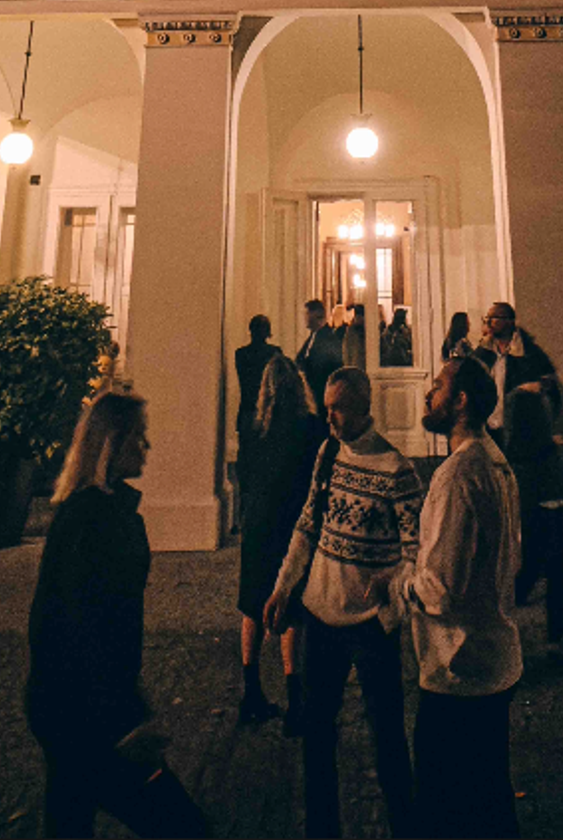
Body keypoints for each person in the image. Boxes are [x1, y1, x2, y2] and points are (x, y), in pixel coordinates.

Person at [25, 391, 206, 839]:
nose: (147, 446)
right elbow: (84, 627)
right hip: (89, 714)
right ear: (113, 444)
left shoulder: (87, 513)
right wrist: (123, 717)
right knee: (180, 825)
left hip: (65, 707)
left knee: (69, 821)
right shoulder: (96, 520)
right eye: (139, 437)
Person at [265, 367, 422, 839]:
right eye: (327, 406)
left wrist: (392, 593)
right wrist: (283, 586)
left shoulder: (396, 471)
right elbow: (307, 524)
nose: (329, 417)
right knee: (316, 732)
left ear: (363, 408)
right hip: (321, 613)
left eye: (339, 408)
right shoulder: (328, 454)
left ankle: (405, 826)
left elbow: (417, 554)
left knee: (387, 735)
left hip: (370, 624)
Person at [410, 355, 524, 838]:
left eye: (438, 386)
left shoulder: (458, 475)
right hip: (495, 657)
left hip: (459, 665)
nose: (428, 393)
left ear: (459, 401)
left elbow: (440, 590)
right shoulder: (496, 463)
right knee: (490, 800)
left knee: (447, 807)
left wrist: (399, 583)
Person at [235, 352, 321, 727]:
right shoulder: (310, 427)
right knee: (291, 607)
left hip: (258, 521)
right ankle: (294, 699)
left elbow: (244, 473)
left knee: (252, 603)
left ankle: (251, 692)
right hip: (292, 521)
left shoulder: (253, 427)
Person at [500, 370, 563, 662]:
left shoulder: (543, 395)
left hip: (547, 490)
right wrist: (551, 442)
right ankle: (540, 632)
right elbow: (517, 446)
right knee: (538, 566)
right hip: (539, 491)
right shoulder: (521, 400)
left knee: (549, 567)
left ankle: (555, 634)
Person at [472, 302, 554, 438]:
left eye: (494, 318)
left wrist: (531, 387)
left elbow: (548, 383)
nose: (489, 322)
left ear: (509, 322)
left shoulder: (529, 352)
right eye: (487, 318)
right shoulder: (483, 352)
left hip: (519, 429)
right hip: (488, 429)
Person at [234, 313, 279, 452]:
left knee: (246, 451)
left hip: (247, 408)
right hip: (268, 409)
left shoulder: (241, 354)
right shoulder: (275, 353)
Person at [295, 301, 345, 409]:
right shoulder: (313, 336)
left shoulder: (328, 339)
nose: (304, 318)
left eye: (306, 314)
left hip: (321, 394)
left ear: (316, 314)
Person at [341, 303, 368, 372]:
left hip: (356, 367)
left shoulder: (350, 332)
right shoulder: (351, 332)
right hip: (356, 368)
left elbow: (346, 353)